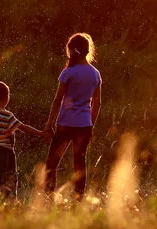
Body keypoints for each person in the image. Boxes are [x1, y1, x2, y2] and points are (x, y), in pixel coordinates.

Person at [44, 33, 102, 201]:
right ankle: (79, 199)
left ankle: (48, 198)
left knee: (52, 163)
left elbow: (57, 100)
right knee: (79, 163)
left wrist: (49, 124)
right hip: (84, 125)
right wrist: (91, 123)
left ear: (70, 50)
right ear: (88, 50)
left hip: (65, 124)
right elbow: (97, 103)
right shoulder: (95, 74)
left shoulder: (68, 72)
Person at [0, 81, 48, 202]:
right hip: (4, 152)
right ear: (5, 98)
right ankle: (7, 204)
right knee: (8, 179)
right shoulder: (8, 116)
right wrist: (41, 133)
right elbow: (23, 127)